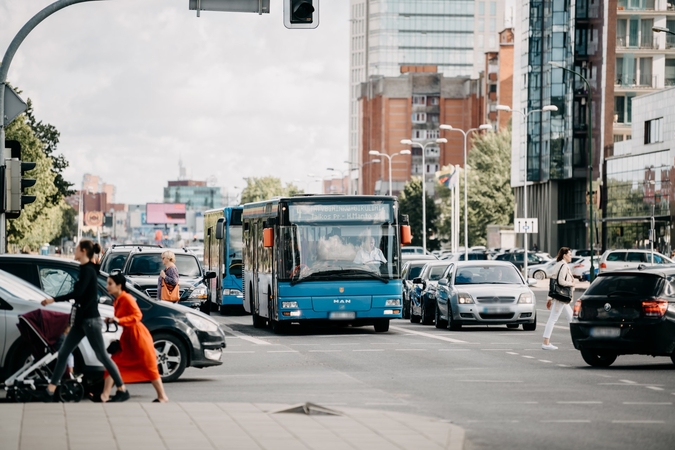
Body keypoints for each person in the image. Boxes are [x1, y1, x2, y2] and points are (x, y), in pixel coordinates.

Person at [39, 240, 129, 402]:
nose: (74, 251)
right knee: (64, 353)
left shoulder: (87, 270)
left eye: (76, 249)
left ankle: (122, 389)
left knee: (102, 356)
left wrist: (53, 299)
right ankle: (50, 391)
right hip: (81, 322)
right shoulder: (87, 269)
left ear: (83, 251)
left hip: (90, 321)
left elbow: (79, 293)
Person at [100, 271, 169, 403]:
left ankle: (162, 396)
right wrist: (113, 319)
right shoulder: (118, 300)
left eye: (110, 284)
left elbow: (137, 316)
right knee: (115, 362)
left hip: (138, 336)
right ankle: (106, 394)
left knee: (148, 365)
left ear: (119, 285)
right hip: (128, 336)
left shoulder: (126, 298)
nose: (107, 286)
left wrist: (119, 320)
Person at [542, 246, 575, 350]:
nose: (571, 256)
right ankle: (546, 343)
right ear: (564, 255)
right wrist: (572, 284)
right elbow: (560, 282)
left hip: (560, 297)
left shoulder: (558, 264)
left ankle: (579, 341)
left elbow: (553, 282)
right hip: (561, 296)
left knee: (572, 319)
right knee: (553, 319)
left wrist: (549, 298)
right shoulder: (563, 265)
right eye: (569, 254)